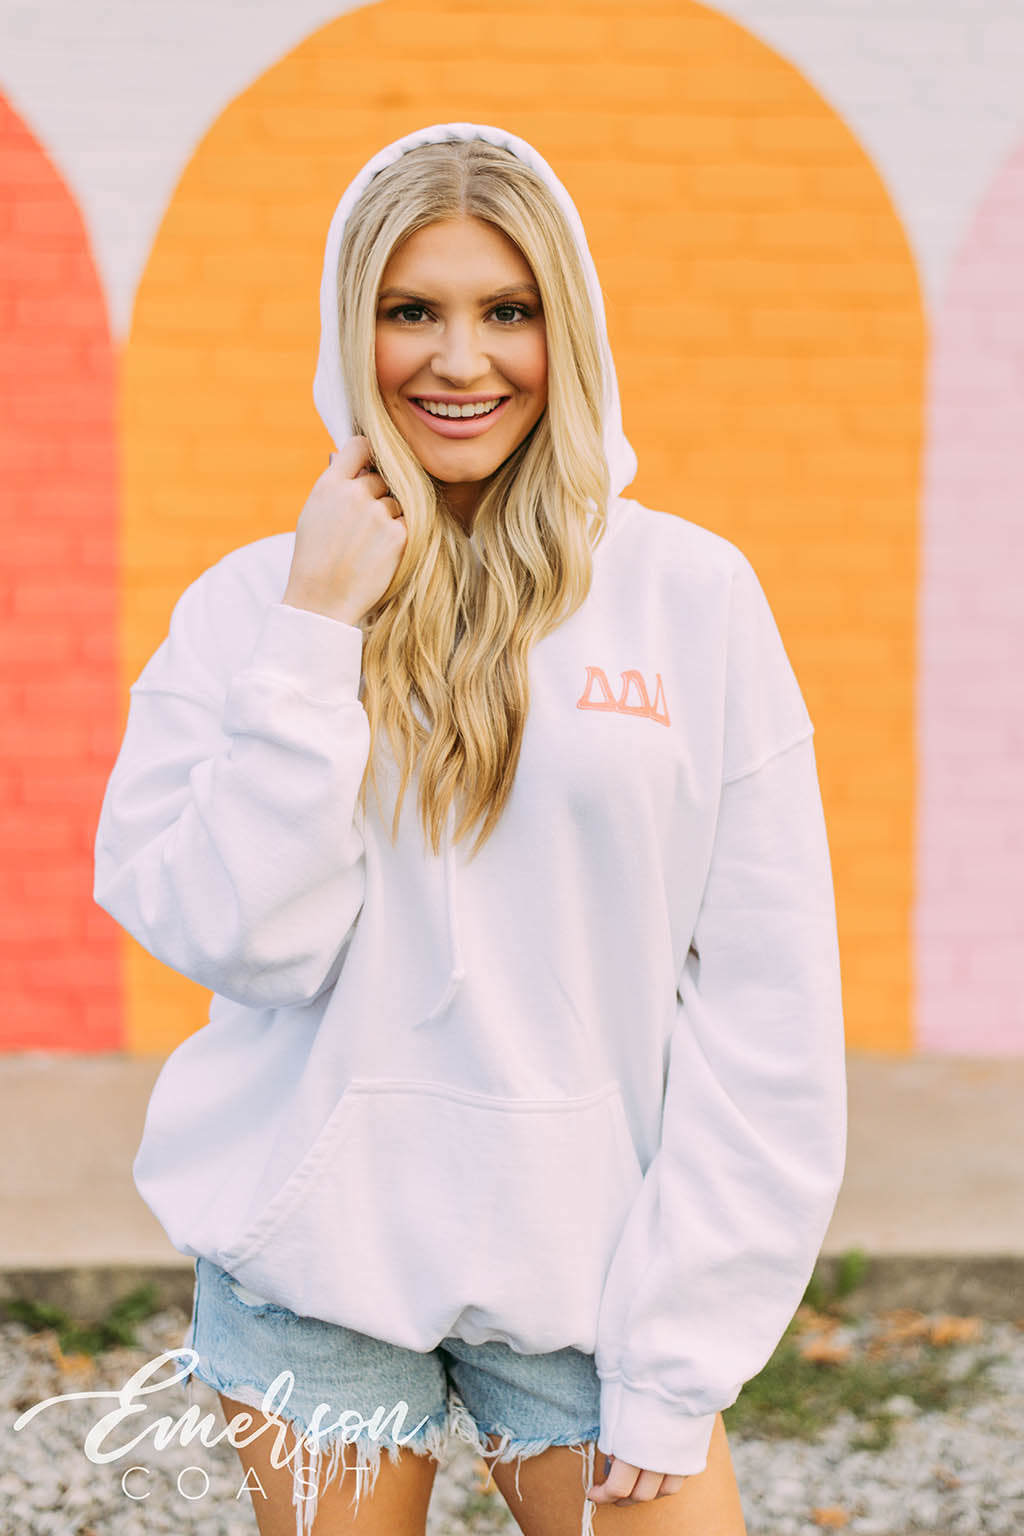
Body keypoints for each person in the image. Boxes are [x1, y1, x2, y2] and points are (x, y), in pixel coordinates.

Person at [94, 122, 847, 1536]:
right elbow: (240, 940)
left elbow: (769, 1005)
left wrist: (680, 1352)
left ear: (571, 329)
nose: (458, 360)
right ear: (353, 330)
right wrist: (318, 629)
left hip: (595, 1277)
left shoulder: (690, 596)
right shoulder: (255, 604)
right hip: (313, 1273)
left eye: (508, 311)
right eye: (410, 312)